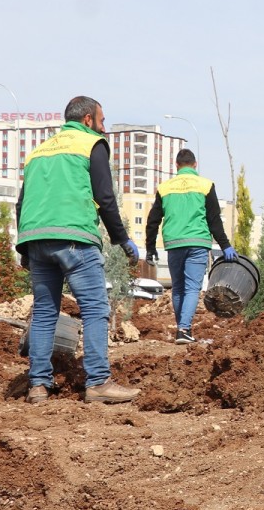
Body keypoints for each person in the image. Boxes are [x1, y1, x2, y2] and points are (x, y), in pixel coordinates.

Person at [16, 96, 141, 404]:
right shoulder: (91, 144)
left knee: (44, 313)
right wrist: (121, 239)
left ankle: (38, 385)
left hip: (36, 238)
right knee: (95, 308)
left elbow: (22, 203)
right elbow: (105, 197)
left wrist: (26, 250)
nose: (104, 127)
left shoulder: (39, 151)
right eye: (102, 121)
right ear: (87, 120)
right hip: (75, 238)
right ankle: (98, 382)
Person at [143, 149, 235, 344]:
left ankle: (182, 330)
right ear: (195, 165)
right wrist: (225, 245)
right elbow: (214, 220)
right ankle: (183, 330)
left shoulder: (165, 188)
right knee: (192, 288)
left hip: (174, 244)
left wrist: (150, 247)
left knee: (178, 288)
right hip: (197, 243)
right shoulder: (205, 185)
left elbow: (153, 220)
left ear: (176, 166)